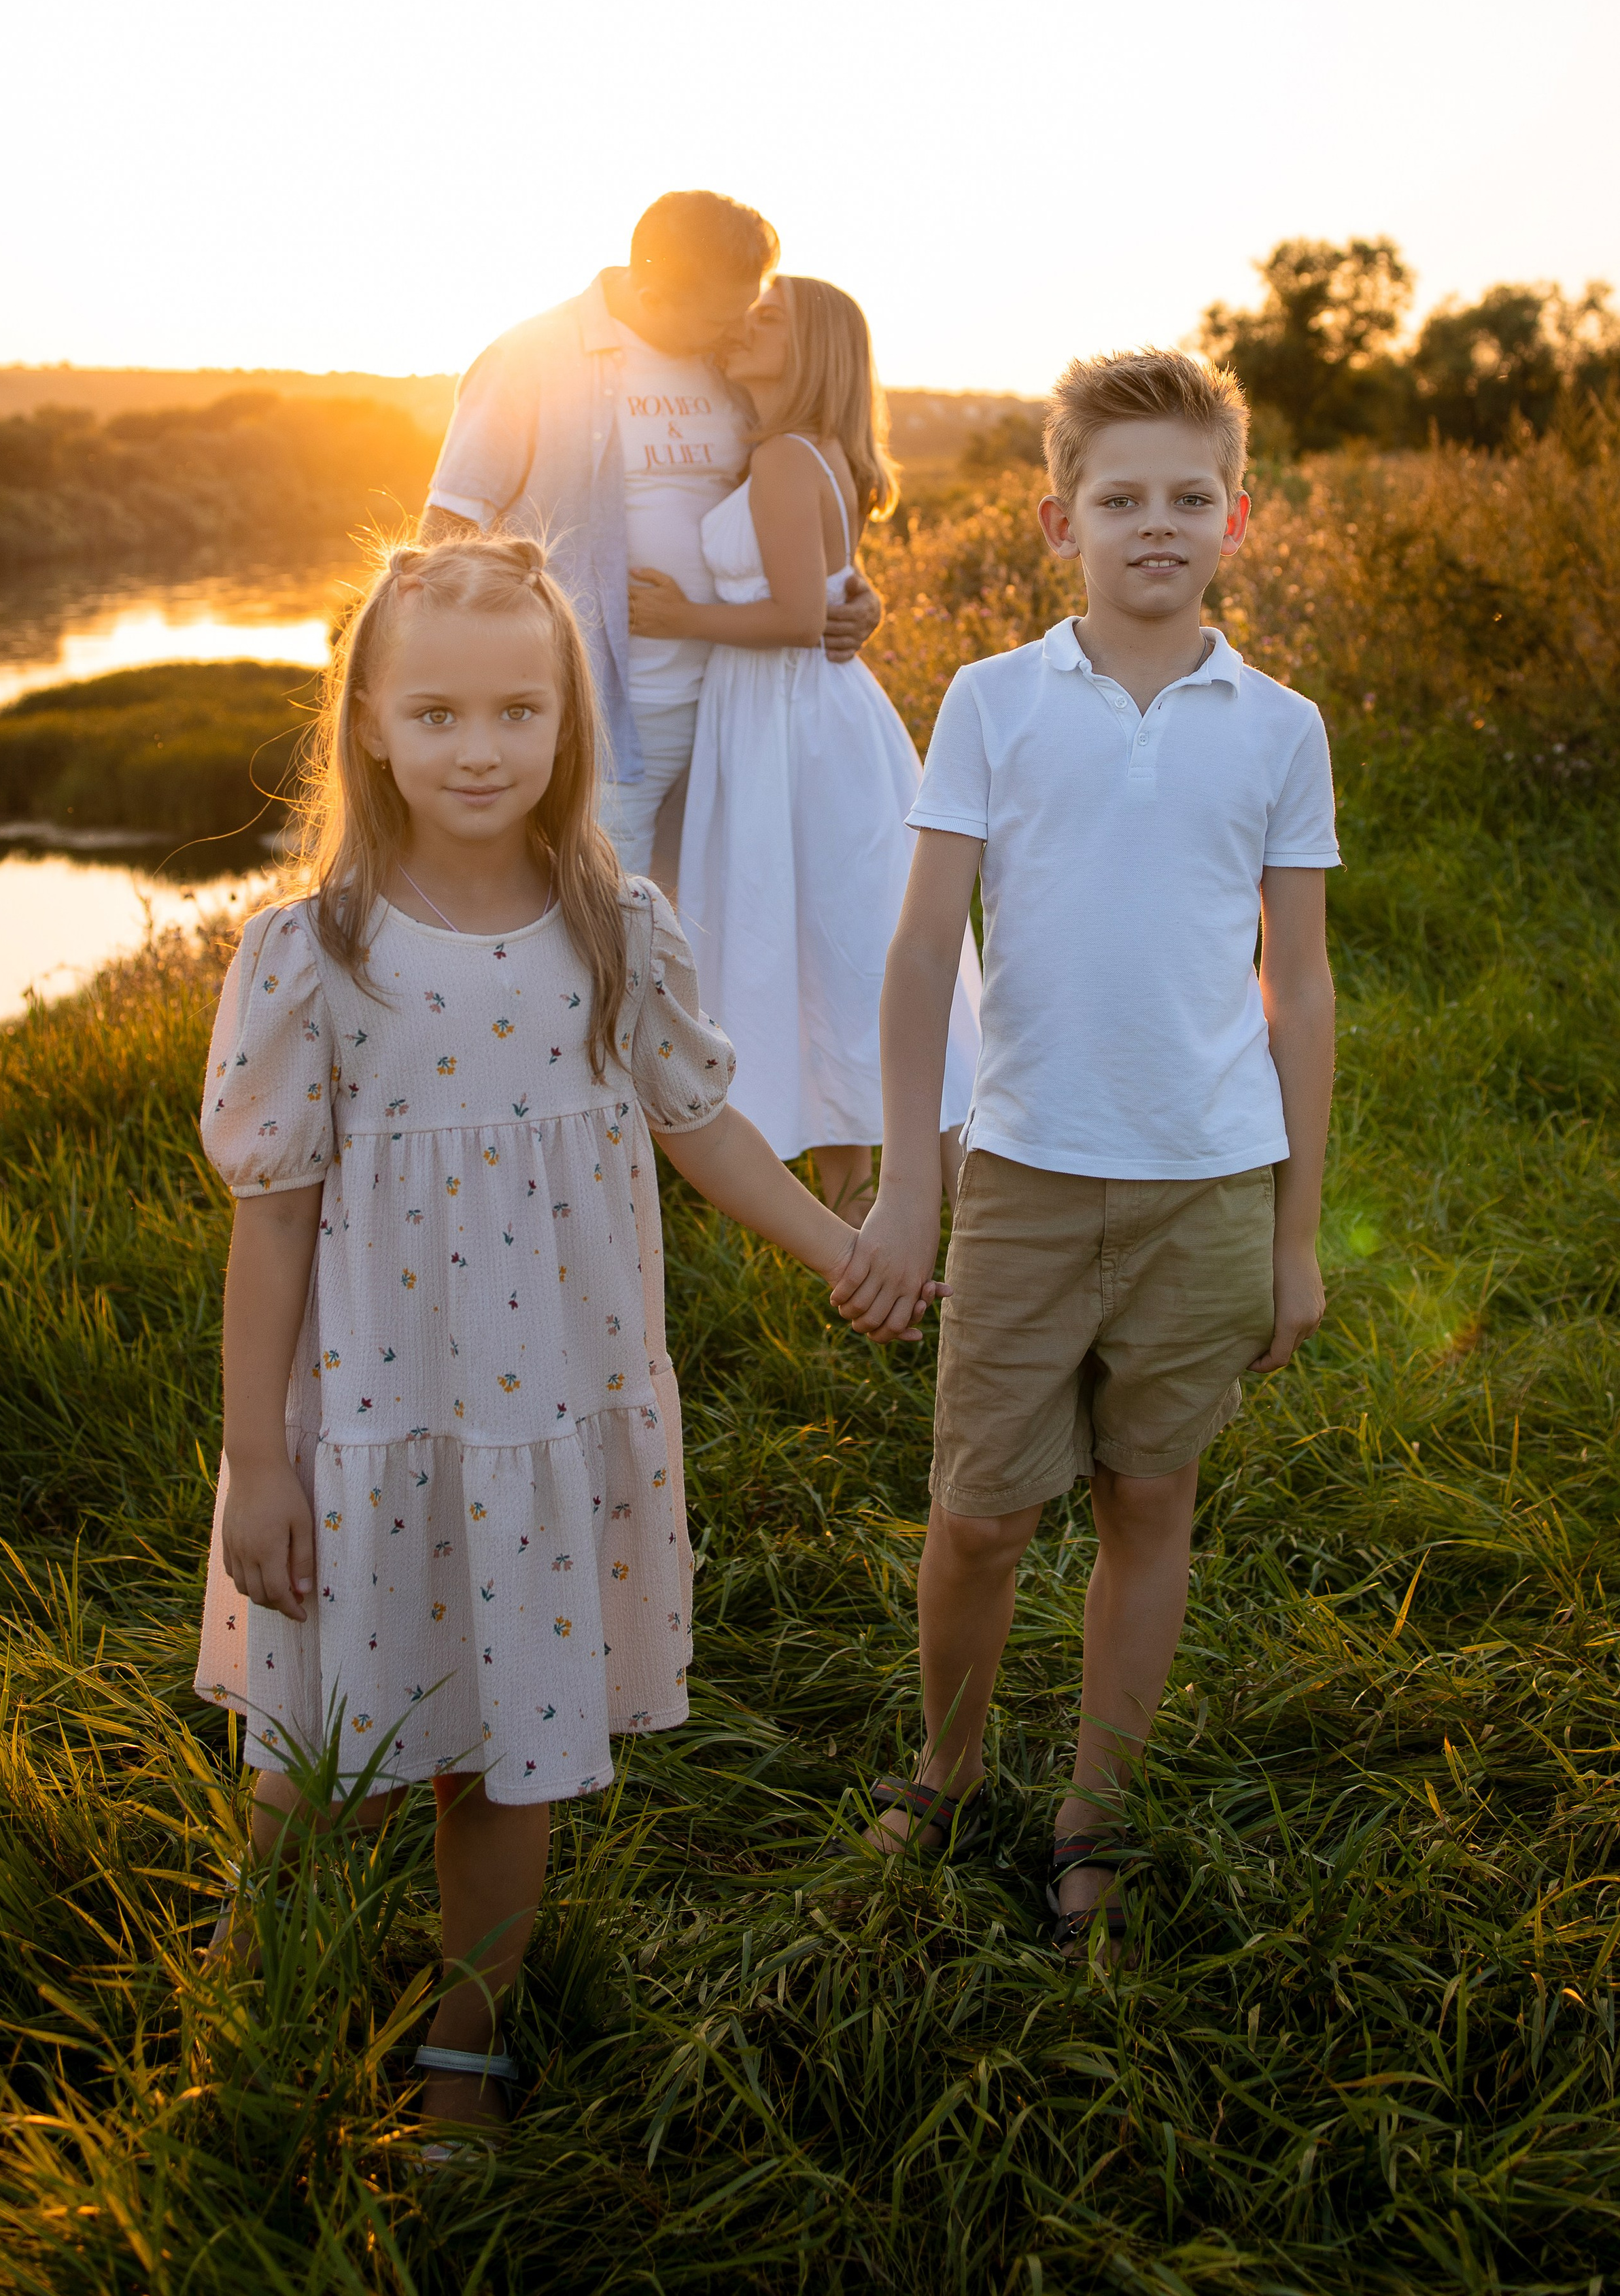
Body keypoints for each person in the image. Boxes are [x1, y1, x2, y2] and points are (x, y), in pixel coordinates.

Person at [193, 535, 911, 2140]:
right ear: (368, 722)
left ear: (565, 722)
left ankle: (469, 2037)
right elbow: (276, 1216)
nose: (478, 746)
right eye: (436, 712)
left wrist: (838, 1246)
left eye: (517, 709)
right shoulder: (313, 954)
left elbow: (702, 1124)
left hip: (548, 1407)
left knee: (501, 1748)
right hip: (367, 1415)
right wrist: (258, 1457)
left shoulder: (613, 924)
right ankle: (258, 1957)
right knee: (323, 1749)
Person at [832, 349, 1339, 1955]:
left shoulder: (1275, 726)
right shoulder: (989, 700)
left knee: (1148, 1493)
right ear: (1057, 518)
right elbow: (920, 951)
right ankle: (950, 1764)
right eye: (1119, 498)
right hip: (1028, 1174)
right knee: (979, 1511)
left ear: (1235, 519)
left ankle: (1092, 1806)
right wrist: (915, 1175)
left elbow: (1301, 982)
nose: (1154, 525)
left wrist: (1293, 1230)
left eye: (1187, 497)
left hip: (1203, 1181)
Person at [626, 275, 980, 1224]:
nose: (745, 322)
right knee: (827, 958)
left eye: (770, 317)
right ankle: (861, 1217)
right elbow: (826, 594)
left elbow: (794, 615)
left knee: (842, 952)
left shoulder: (786, 457)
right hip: (793, 722)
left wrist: (674, 614)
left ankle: (929, 1212)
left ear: (815, 348)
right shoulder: (797, 452)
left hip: (799, 731)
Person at [419, 191, 884, 885]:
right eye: (721, 317)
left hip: (737, 708)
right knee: (607, 910)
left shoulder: (727, 368)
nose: (737, 331)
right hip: (607, 708)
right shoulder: (534, 357)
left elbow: (785, 503)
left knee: (699, 928)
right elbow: (449, 528)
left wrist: (848, 589)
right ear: (651, 290)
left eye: (749, 310)